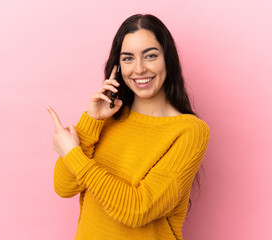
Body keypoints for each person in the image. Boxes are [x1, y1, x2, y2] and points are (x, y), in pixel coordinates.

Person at [47, 13, 210, 240]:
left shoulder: (190, 131)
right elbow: (64, 187)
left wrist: (72, 153)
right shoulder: (106, 118)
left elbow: (139, 209)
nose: (139, 69)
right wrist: (91, 121)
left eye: (150, 56)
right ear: (118, 66)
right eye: (128, 58)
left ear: (167, 59)